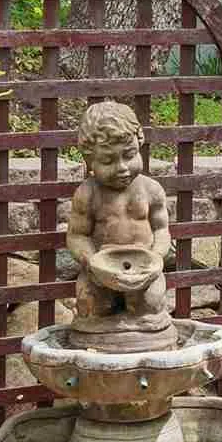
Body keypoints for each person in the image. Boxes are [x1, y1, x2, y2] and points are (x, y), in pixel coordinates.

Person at [63, 99, 172, 329]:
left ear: (139, 145)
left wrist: (155, 260)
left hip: (144, 271)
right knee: (91, 307)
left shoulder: (151, 190)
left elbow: (162, 230)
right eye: (108, 160)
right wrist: (92, 263)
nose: (122, 167)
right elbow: (76, 236)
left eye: (129, 155)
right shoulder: (87, 193)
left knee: (151, 306)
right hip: (101, 273)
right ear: (89, 159)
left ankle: (139, 332)